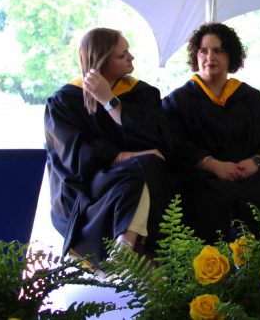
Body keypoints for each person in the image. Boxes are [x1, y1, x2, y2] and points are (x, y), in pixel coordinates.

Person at [162, 22, 260, 243]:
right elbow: (173, 147)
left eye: (218, 50)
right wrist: (214, 165)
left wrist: (256, 162)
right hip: (204, 179)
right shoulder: (177, 102)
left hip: (252, 176)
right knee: (205, 197)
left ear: (231, 56)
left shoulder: (253, 99)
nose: (209, 57)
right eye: (203, 50)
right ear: (196, 55)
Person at [44, 28, 174, 265]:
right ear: (101, 61)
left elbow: (158, 140)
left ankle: (125, 246)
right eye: (122, 55)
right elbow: (74, 156)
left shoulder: (142, 93)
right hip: (91, 185)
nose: (131, 57)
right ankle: (127, 247)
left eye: (128, 51)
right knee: (143, 168)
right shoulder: (65, 100)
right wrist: (127, 156)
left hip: (135, 175)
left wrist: (109, 101)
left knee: (146, 168)